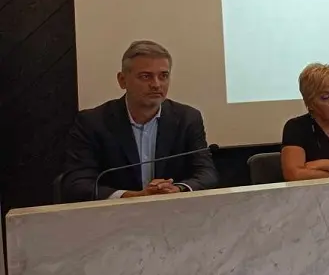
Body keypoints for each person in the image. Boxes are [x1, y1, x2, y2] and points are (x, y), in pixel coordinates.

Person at [61, 40, 218, 202]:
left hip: (172, 211)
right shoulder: (93, 122)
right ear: (122, 80)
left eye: (163, 76)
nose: (156, 85)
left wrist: (178, 189)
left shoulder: (187, 118)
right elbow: (76, 183)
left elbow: (206, 174)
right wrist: (132, 196)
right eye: (146, 76)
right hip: (115, 213)